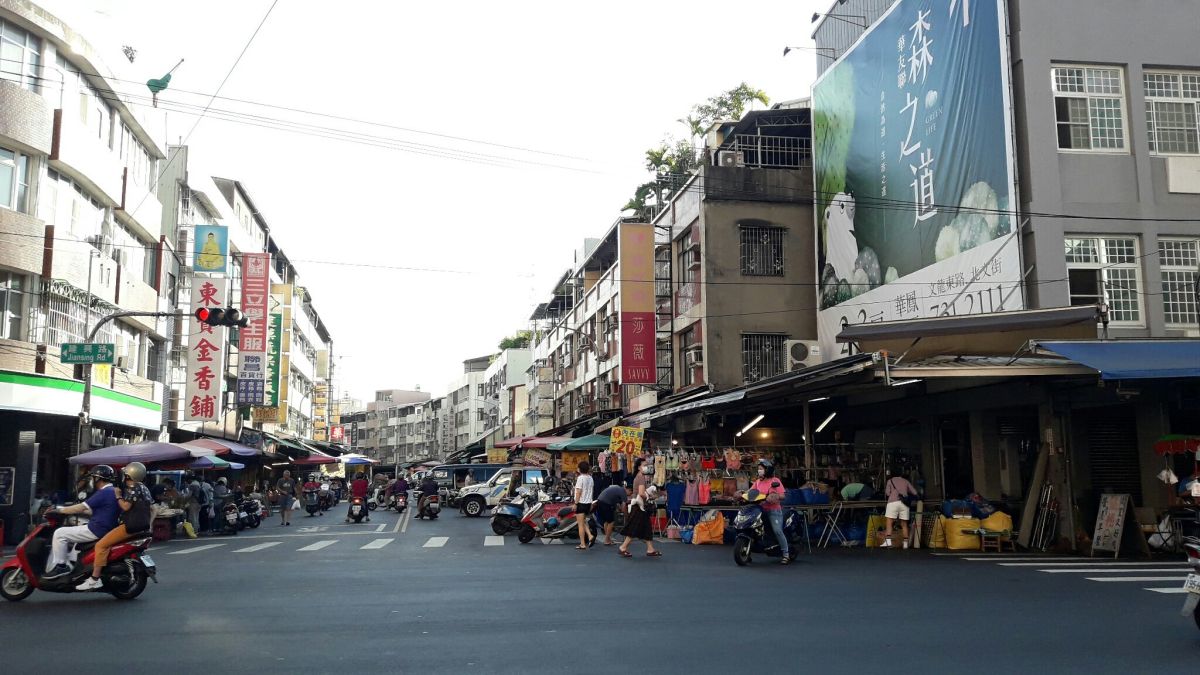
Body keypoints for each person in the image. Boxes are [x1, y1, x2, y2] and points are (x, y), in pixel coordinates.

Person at [76, 463, 153, 591]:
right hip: (142, 526)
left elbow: (126, 507)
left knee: (101, 545)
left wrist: (118, 496)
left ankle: (94, 579)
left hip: (130, 526)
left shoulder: (133, 487)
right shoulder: (144, 488)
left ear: (130, 475)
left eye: (125, 475)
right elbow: (152, 508)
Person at [43, 465, 121, 579]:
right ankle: (74, 561)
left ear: (97, 479)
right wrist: (67, 509)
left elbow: (81, 507)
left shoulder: (103, 493)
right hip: (107, 528)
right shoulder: (113, 491)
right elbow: (91, 510)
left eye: (93, 478)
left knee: (60, 533)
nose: (92, 481)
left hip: (97, 529)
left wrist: (59, 510)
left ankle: (61, 566)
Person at [750, 459, 790, 564]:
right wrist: (742, 494)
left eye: (761, 469)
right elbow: (750, 492)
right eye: (758, 469)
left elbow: (783, 495)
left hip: (773, 511)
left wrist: (775, 496)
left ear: (767, 470)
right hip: (759, 510)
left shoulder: (775, 481)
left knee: (777, 530)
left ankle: (786, 554)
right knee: (751, 528)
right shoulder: (757, 482)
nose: (759, 471)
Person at [619, 462, 660, 558]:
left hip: (638, 505)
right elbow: (641, 493)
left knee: (646, 528)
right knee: (634, 528)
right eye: (644, 465)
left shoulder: (639, 477)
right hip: (638, 506)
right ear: (639, 467)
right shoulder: (641, 477)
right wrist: (649, 497)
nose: (646, 467)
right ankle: (623, 547)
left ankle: (650, 549)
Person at [882, 471, 918, 549]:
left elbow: (887, 493)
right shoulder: (905, 481)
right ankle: (905, 544)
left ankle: (888, 542)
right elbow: (914, 492)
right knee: (904, 524)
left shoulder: (890, 481)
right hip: (904, 504)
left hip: (893, 503)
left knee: (889, 522)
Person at [573, 461, 596, 550]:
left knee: (580, 524)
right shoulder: (590, 478)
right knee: (583, 522)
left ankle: (582, 544)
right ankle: (590, 536)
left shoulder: (580, 478)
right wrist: (590, 503)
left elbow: (578, 492)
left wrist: (575, 503)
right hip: (588, 503)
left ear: (579, 469)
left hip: (581, 503)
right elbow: (592, 491)